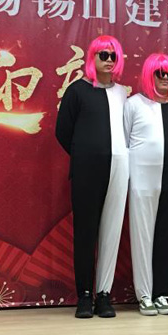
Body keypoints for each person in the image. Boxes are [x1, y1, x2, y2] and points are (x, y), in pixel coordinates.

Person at [55, 35, 129, 319]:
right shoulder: (77, 91)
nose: (109, 61)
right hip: (87, 170)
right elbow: (63, 131)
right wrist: (85, 155)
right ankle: (84, 294)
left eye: (113, 56)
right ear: (92, 58)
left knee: (111, 231)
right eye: (103, 55)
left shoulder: (122, 94)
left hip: (118, 169)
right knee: (86, 233)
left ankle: (104, 294)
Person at [124, 53, 168, 316]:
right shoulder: (133, 104)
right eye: (159, 73)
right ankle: (144, 294)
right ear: (149, 75)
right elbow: (125, 142)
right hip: (142, 178)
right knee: (143, 235)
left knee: (167, 235)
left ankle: (161, 293)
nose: (164, 78)